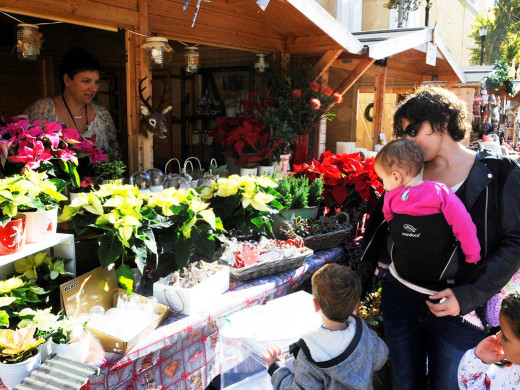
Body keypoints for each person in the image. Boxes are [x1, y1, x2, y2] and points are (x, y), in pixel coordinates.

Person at [358, 86, 520, 390]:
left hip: (461, 312)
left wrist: (468, 296)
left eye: (412, 129)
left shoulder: (500, 172)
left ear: (443, 119)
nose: (407, 139)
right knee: (404, 383)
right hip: (401, 301)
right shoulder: (406, 173)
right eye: (402, 133)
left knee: (453, 384)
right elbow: (378, 232)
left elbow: (515, 244)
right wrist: (356, 289)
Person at [262, 263, 388, 390]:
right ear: (356, 306)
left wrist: (276, 369)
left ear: (316, 305)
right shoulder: (363, 333)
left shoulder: (311, 354)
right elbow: (381, 356)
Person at [24, 47, 120, 153]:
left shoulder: (102, 114)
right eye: (86, 81)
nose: (94, 88)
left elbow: (115, 154)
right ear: (67, 80)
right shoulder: (43, 109)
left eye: (96, 82)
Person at [458, 292, 520, 389]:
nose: (497, 336)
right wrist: (477, 360)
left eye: (505, 337)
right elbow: (472, 386)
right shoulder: (505, 371)